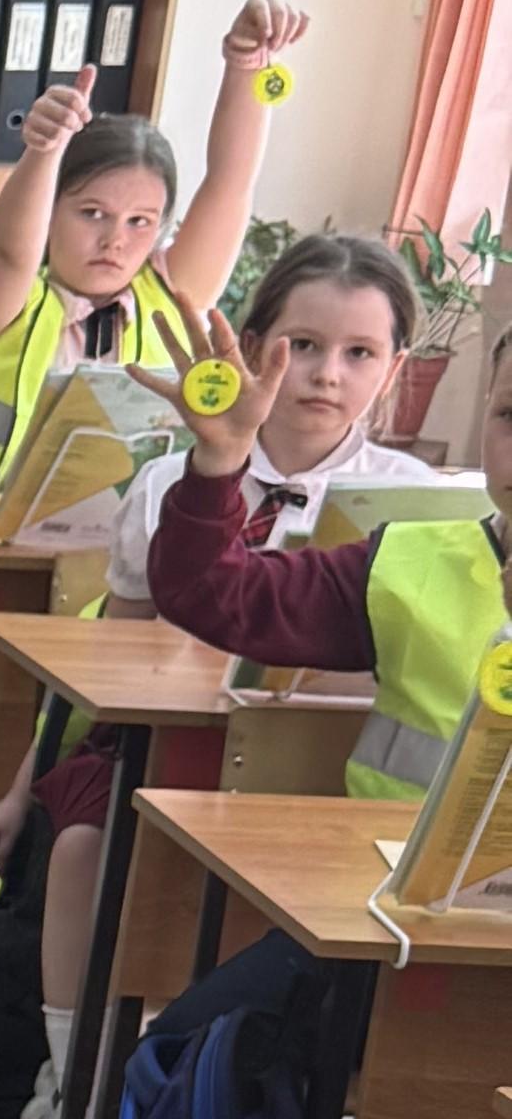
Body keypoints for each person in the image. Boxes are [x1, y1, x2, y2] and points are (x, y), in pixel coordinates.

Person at [0, 224, 434, 1110]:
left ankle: (223, 1095)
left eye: (359, 353)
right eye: (302, 346)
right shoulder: (170, 483)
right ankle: (72, 1082)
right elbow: (102, 656)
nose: (326, 375)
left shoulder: (419, 507)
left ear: (394, 366)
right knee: (85, 845)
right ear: (251, 349)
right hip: (161, 748)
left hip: (318, 770)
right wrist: (21, 786)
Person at [0, 0, 296, 495]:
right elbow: (9, 253)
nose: (114, 240)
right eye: (92, 213)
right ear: (51, 211)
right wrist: (45, 150)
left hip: (107, 537)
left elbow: (230, 183)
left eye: (139, 222)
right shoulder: (9, 307)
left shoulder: (169, 300)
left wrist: (245, 60)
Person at [141, 290, 512, 818]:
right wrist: (221, 457)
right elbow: (204, 591)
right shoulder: (405, 563)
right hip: (378, 864)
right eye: (510, 414)